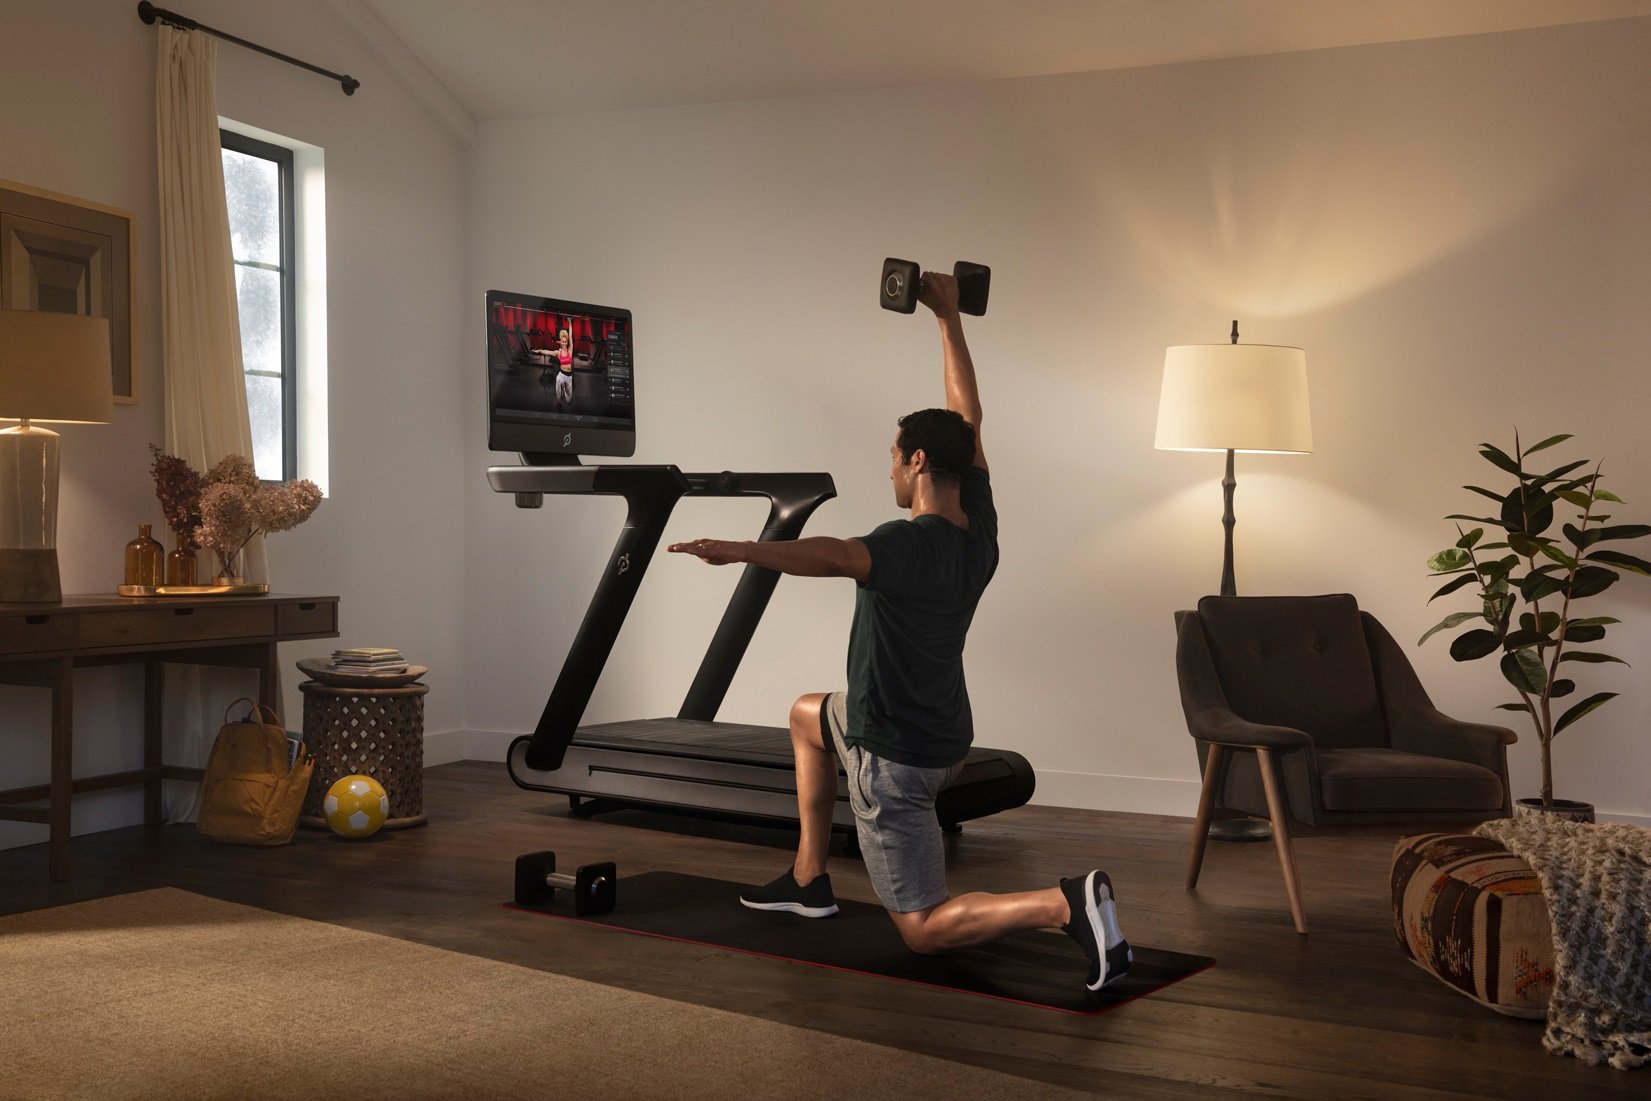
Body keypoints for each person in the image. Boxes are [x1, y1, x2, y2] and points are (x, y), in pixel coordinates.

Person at [667, 272, 1131, 995]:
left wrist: (738, 549)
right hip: (946, 730)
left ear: (916, 462)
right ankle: (807, 876)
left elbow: (831, 554)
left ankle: (1061, 903)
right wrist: (946, 318)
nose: (887, 464)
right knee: (805, 714)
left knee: (921, 925)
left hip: (899, 759)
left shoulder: (903, 543)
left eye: (892, 454)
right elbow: (966, 413)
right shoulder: (978, 526)